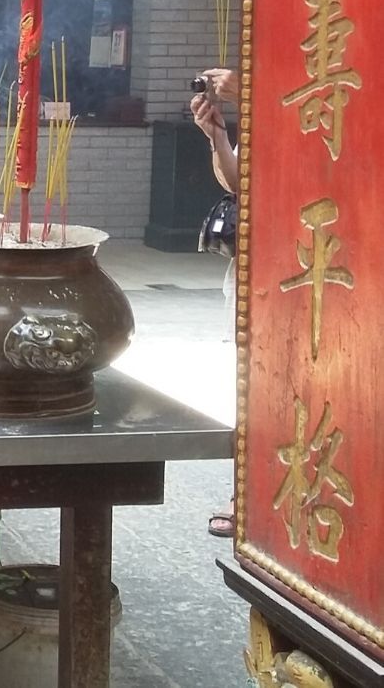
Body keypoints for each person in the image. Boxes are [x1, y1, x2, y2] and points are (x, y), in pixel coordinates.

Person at [191, 67, 239, 539]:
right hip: (261, 265)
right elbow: (237, 182)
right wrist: (217, 135)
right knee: (253, 381)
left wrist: (257, 97)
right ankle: (245, 490)